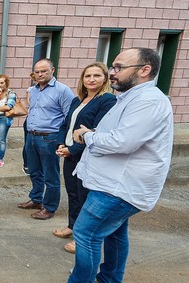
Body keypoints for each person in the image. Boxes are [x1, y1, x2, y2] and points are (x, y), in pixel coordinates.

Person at [68, 48, 173, 283]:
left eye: (118, 68)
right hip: (112, 183)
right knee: (114, 234)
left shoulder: (149, 101)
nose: (112, 73)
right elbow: (121, 133)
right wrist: (96, 133)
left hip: (117, 188)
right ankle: (110, 279)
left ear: (145, 70)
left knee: (85, 234)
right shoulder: (131, 98)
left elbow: (123, 142)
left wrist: (87, 136)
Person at [54, 62, 116, 254]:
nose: (91, 79)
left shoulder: (107, 101)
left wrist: (73, 150)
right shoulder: (77, 100)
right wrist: (61, 144)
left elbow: (96, 131)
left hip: (86, 156)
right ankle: (72, 226)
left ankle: (82, 239)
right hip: (69, 153)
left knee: (85, 197)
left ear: (105, 78)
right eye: (87, 76)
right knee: (73, 193)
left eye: (96, 75)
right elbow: (66, 124)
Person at [17, 58, 74, 220]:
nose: (40, 74)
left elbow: (69, 117)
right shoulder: (33, 90)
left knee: (51, 175)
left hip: (49, 138)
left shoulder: (62, 90)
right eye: (37, 71)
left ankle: (49, 207)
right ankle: (36, 199)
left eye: (44, 71)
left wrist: (62, 140)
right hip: (31, 137)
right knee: (34, 171)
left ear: (52, 70)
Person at [21, 72, 37, 175]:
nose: (36, 81)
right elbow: (31, 103)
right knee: (28, 144)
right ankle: (26, 164)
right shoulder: (31, 90)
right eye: (34, 80)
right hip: (30, 120)